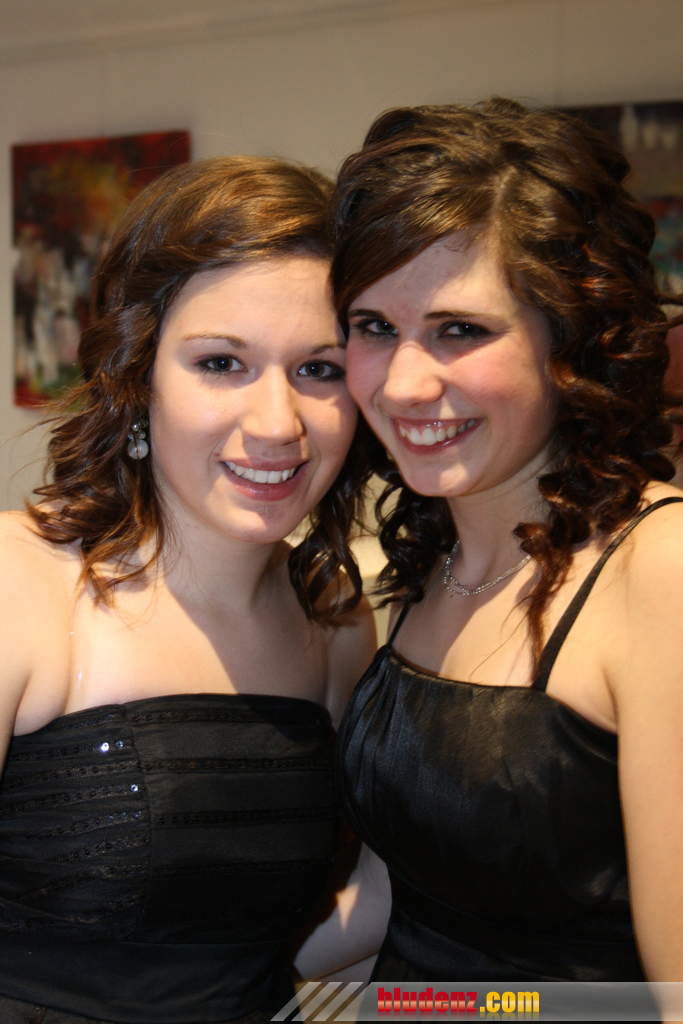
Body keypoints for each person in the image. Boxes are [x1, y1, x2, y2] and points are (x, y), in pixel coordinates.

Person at [297, 98, 683, 993]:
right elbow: (402, 894)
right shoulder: (435, 559)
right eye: (373, 327)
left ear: (568, 337)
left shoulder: (658, 568)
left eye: (459, 330)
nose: (403, 383)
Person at [0, 156, 376, 1024]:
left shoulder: (333, 620)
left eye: (319, 370)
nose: (277, 424)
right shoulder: (21, 584)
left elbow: (269, 951)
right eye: (221, 362)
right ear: (138, 379)